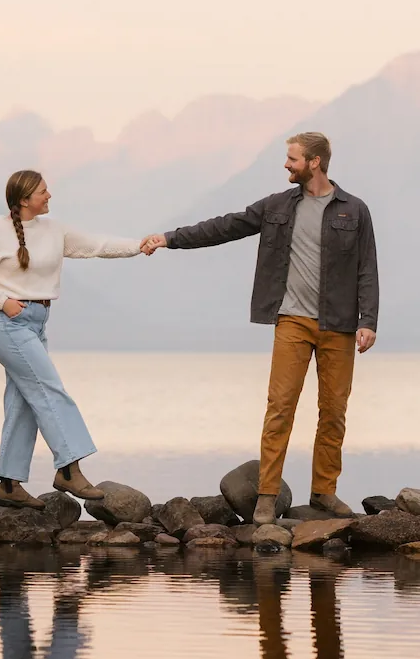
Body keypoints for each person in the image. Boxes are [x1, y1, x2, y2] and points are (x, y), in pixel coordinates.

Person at [140, 131, 378, 525]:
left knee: (333, 412)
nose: (286, 165)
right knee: (280, 408)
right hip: (292, 321)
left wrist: (367, 320)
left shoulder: (354, 211)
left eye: (293, 159)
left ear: (314, 162)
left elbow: (366, 268)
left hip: (339, 325)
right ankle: (267, 495)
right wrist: (169, 239)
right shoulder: (276, 206)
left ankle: (324, 492)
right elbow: (224, 227)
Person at [0, 168, 142, 508]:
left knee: (24, 403)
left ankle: (9, 485)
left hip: (36, 325)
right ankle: (69, 467)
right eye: (43, 192)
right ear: (24, 200)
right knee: (49, 390)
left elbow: (97, 245)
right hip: (7, 325)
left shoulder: (54, 230)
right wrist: (3, 301)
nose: (49, 196)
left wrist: (139, 245)